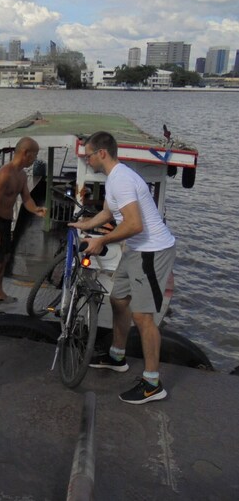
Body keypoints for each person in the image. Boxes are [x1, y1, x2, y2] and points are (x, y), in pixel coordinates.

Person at [70, 131, 173, 404]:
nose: (86, 159)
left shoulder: (123, 179)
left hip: (152, 251)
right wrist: (86, 225)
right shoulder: (114, 178)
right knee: (118, 300)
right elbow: (109, 213)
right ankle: (117, 357)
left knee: (142, 317)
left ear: (101, 153)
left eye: (88, 154)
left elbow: (134, 224)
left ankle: (152, 383)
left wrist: (101, 240)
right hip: (136, 250)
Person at [0, 137, 46, 316]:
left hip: (6, 222)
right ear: (25, 153)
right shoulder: (3, 174)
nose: (35, 159)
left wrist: (37, 209)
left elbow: (26, 198)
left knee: (5, 259)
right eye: (34, 155)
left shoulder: (22, 175)